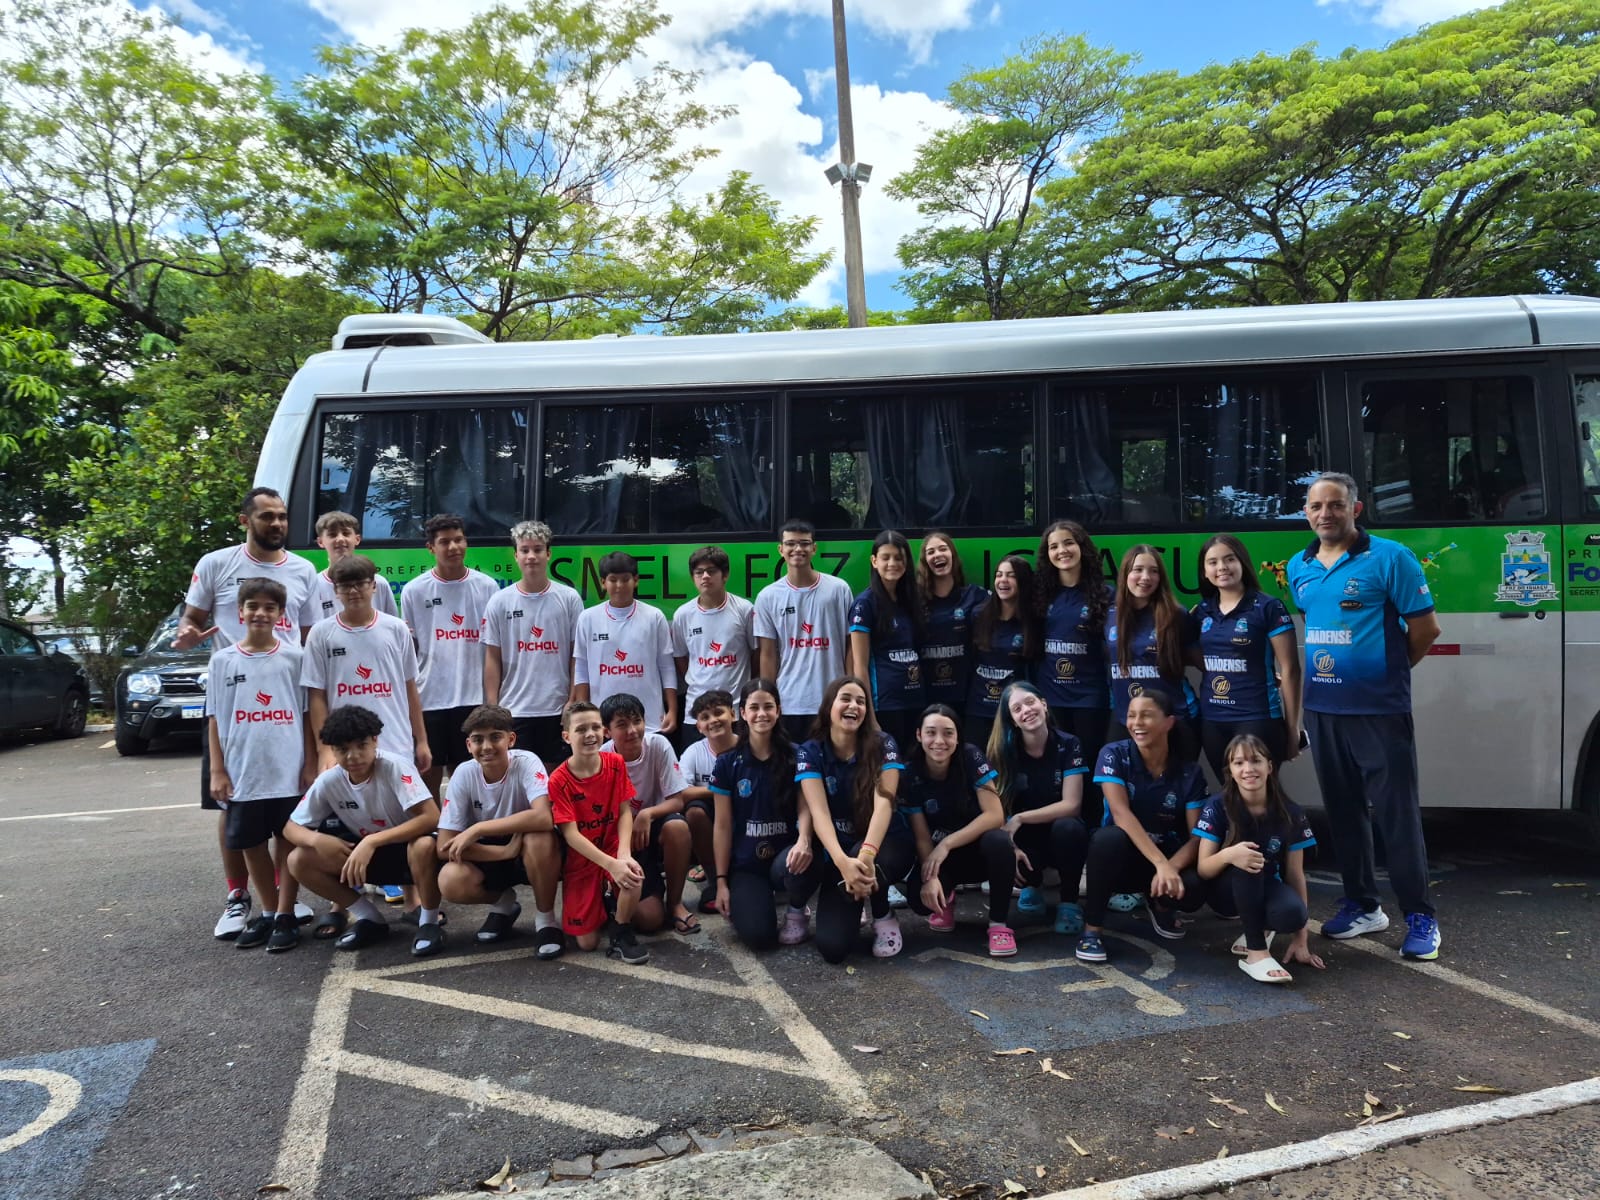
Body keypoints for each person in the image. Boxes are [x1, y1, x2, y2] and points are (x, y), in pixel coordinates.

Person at [1287, 472, 1442, 960]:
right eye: (1316, 506)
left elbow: (1426, 629)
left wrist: (1390, 672)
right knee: (1344, 813)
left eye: (1335, 505)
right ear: (1307, 513)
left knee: (1396, 816)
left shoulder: (1391, 557)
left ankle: (1420, 916)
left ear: (1355, 509)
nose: (1325, 514)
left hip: (1379, 710)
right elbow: (1318, 626)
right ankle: (1362, 905)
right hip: (1323, 710)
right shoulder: (1299, 566)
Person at [177, 487, 318, 941]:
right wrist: (187, 634)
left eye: (282, 517)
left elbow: (310, 636)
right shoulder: (217, 564)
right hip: (235, 712)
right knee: (233, 806)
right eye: (267, 517)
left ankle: (283, 906)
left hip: (285, 712)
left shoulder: (302, 570)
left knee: (287, 818)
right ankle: (238, 898)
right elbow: (192, 619)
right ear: (245, 521)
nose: (276, 524)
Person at [305, 554, 432, 921]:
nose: (354, 591)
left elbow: (410, 689)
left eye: (361, 583)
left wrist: (420, 740)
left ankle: (413, 900)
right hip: (345, 748)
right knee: (342, 821)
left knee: (401, 817)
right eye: (345, 585)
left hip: (393, 740)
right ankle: (342, 903)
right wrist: (324, 749)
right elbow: (316, 695)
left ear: (373, 586)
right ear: (336, 590)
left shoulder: (394, 629)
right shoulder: (322, 633)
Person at [204, 578, 315, 953]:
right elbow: (216, 718)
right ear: (241, 611)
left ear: (281, 615)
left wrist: (310, 765)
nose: (260, 613)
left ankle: (285, 914)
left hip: (287, 771)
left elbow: (305, 716)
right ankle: (267, 912)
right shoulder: (223, 661)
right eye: (253, 606)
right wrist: (218, 770)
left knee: (286, 842)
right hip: (244, 773)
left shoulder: (295, 658)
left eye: (270, 607)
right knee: (251, 844)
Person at [282, 705, 443, 955]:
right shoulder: (329, 780)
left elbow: (431, 817)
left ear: (375, 741)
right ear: (332, 751)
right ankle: (370, 919)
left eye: (361, 745)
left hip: (409, 853)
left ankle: (429, 923)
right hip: (367, 856)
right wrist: (316, 840)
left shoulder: (395, 767)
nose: (353, 756)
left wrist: (373, 841)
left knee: (423, 846)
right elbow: (291, 828)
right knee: (298, 859)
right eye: (343, 749)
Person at [1077, 692, 1209, 964]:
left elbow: (1198, 835)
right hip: (1119, 859)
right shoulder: (1114, 754)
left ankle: (1159, 902)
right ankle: (1092, 931)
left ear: (1169, 722)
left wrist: (1169, 867)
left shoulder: (1189, 771)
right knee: (1107, 839)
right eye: (1131, 715)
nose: (1137, 722)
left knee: (1195, 886)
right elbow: (1120, 814)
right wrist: (1161, 864)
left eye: (1146, 715)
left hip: (1164, 859)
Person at [796, 676, 911, 963]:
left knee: (875, 858)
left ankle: (883, 914)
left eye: (861, 701)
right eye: (845, 699)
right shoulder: (810, 751)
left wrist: (868, 853)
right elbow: (819, 812)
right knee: (832, 948)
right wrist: (842, 863)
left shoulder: (883, 743)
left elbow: (885, 802)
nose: (853, 706)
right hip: (842, 854)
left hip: (885, 844)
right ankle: (856, 898)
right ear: (828, 708)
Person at [436, 704, 564, 959]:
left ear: (511, 739)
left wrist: (479, 827)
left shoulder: (527, 761)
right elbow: (444, 845)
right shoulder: (464, 773)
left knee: (539, 839)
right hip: (496, 851)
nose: (487, 746)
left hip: (528, 848)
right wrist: (504, 852)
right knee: (450, 879)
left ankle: (546, 921)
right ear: (468, 745)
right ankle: (503, 905)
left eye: (495, 737)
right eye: (478, 739)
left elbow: (544, 817)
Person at [1194, 734, 1324, 984]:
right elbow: (1204, 869)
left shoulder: (1290, 812)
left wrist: (1301, 939)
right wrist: (1230, 854)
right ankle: (1256, 952)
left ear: (1269, 767)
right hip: (1225, 891)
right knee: (1247, 858)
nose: (1248, 769)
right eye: (1239, 763)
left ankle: (1261, 928)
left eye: (1256, 761)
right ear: (1230, 771)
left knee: (1293, 914)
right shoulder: (1218, 805)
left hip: (1266, 884)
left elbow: (1295, 874)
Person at [710, 678, 820, 949]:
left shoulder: (798, 755)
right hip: (748, 864)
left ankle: (797, 910)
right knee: (760, 938)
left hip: (786, 857)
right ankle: (755, 901)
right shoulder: (727, 762)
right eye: (754, 707)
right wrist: (721, 883)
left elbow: (806, 806)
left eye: (768, 707)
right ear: (742, 713)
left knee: (807, 853)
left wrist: (804, 840)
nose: (761, 714)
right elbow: (722, 826)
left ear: (778, 711)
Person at [400, 513, 501, 800]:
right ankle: (431, 838)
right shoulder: (413, 591)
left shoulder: (487, 588)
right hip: (429, 700)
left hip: (473, 700)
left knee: (467, 782)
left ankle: (464, 838)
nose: (453, 547)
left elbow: (494, 648)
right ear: (431, 548)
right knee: (427, 778)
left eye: (458, 540)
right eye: (444, 542)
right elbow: (412, 650)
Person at [902, 705, 1016, 956]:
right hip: (944, 860)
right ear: (919, 735)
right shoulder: (910, 773)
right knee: (919, 901)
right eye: (931, 733)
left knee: (999, 841)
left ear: (957, 737)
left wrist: (946, 844)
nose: (939, 741)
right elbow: (921, 837)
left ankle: (998, 924)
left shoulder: (970, 756)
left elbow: (995, 815)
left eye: (948, 733)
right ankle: (947, 898)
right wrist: (930, 879)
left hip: (977, 851)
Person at [986, 679, 1092, 934]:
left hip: (1058, 831)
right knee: (1001, 840)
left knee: (1070, 828)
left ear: (1044, 705)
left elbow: (1072, 805)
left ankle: (1069, 901)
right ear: (1012, 720)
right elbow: (995, 809)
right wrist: (1008, 844)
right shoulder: (1002, 751)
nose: (1026, 711)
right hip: (1026, 840)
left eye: (1030, 702)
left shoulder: (1069, 744)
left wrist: (1020, 817)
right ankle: (1032, 885)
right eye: (1017, 709)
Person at [547, 700, 649, 964]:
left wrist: (623, 854)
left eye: (595, 727)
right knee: (587, 943)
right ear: (566, 736)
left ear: (604, 731)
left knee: (633, 873)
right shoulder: (558, 780)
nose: (590, 734)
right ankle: (606, 903)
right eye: (581, 729)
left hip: (613, 846)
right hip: (584, 858)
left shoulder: (615, 763)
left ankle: (621, 931)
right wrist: (609, 864)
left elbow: (625, 811)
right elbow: (570, 835)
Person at [1193, 534, 1302, 777]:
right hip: (1212, 720)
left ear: (1242, 562)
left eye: (1229, 559)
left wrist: (1292, 729)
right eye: (1213, 562)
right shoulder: (1201, 611)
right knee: (1229, 796)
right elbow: (1190, 655)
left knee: (1260, 796)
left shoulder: (1268, 607)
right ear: (1204, 571)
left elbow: (1290, 670)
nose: (1222, 567)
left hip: (1258, 718)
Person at [482, 520, 583, 767]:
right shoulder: (499, 602)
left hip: (557, 710)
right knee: (518, 778)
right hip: (515, 710)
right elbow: (492, 658)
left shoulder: (568, 599)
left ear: (548, 554)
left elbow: (577, 657)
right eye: (525, 550)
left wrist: (572, 700)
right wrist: (494, 707)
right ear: (515, 555)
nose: (531, 556)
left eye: (537, 549)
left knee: (558, 781)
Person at [1033, 520, 1113, 827]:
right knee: (1055, 770)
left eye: (1068, 543)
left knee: (1089, 769)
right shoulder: (1041, 595)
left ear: (1082, 548)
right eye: (1054, 546)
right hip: (1050, 699)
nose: (1061, 551)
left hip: (1090, 699)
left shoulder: (1105, 594)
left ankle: (1092, 835)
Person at [599, 692, 696, 935]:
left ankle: (675, 902)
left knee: (678, 827)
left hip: (652, 827)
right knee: (650, 921)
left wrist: (647, 814)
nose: (632, 730)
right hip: (620, 839)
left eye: (637, 721)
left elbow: (677, 800)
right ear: (607, 731)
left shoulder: (658, 744)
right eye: (622, 725)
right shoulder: (602, 757)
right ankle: (613, 896)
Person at [755, 520, 853, 743]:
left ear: (814, 548)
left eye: (804, 543)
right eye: (790, 544)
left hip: (832, 701)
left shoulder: (838, 589)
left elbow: (850, 646)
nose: (797, 549)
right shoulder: (768, 596)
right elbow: (768, 655)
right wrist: (769, 700)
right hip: (790, 702)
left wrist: (850, 691)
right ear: (780, 549)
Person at [1106, 545, 1200, 763]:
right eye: (1138, 569)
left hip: (1174, 718)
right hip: (1124, 718)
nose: (1145, 577)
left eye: (1153, 571)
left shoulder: (1176, 615)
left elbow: (1200, 660)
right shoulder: (1109, 614)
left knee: (1176, 790)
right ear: (1125, 574)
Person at [574, 551, 677, 735]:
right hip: (603, 723)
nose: (619, 586)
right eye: (613, 580)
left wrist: (672, 710)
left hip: (650, 721)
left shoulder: (654, 617)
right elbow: (582, 669)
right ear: (603, 583)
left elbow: (667, 667)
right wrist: (584, 713)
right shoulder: (587, 618)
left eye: (625, 579)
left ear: (636, 580)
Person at [848, 530, 926, 751]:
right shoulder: (865, 604)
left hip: (915, 701)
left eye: (899, 558)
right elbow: (860, 667)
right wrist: (870, 718)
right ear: (874, 561)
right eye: (886, 557)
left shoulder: (911, 600)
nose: (893, 563)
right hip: (884, 705)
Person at [672, 546, 755, 748]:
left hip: (735, 710)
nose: (705, 577)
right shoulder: (683, 615)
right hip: (696, 712)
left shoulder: (744, 609)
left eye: (712, 571)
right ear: (693, 577)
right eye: (699, 572)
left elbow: (756, 652)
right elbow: (681, 658)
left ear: (724, 575)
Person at [678, 689, 738, 914]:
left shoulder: (747, 746)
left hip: (743, 811)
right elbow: (680, 792)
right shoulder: (694, 752)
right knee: (693, 813)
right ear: (699, 726)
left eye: (718, 713)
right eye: (705, 717)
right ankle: (714, 879)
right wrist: (718, 791)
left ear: (733, 714)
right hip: (711, 810)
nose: (713, 720)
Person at [966, 555, 1039, 732]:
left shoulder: (1034, 621)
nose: (1003, 580)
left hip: (1015, 712)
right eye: (999, 575)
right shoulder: (978, 615)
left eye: (1011, 575)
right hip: (979, 708)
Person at [916, 532, 986, 714]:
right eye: (930, 552)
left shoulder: (975, 596)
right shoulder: (915, 601)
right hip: (926, 697)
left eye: (942, 549)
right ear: (925, 562)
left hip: (966, 695)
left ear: (952, 555)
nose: (937, 555)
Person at [308, 510, 399, 622]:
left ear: (357, 539)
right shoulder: (313, 586)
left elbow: (393, 624)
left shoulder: (378, 583)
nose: (340, 539)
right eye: (332, 534)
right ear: (320, 542)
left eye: (346, 533)